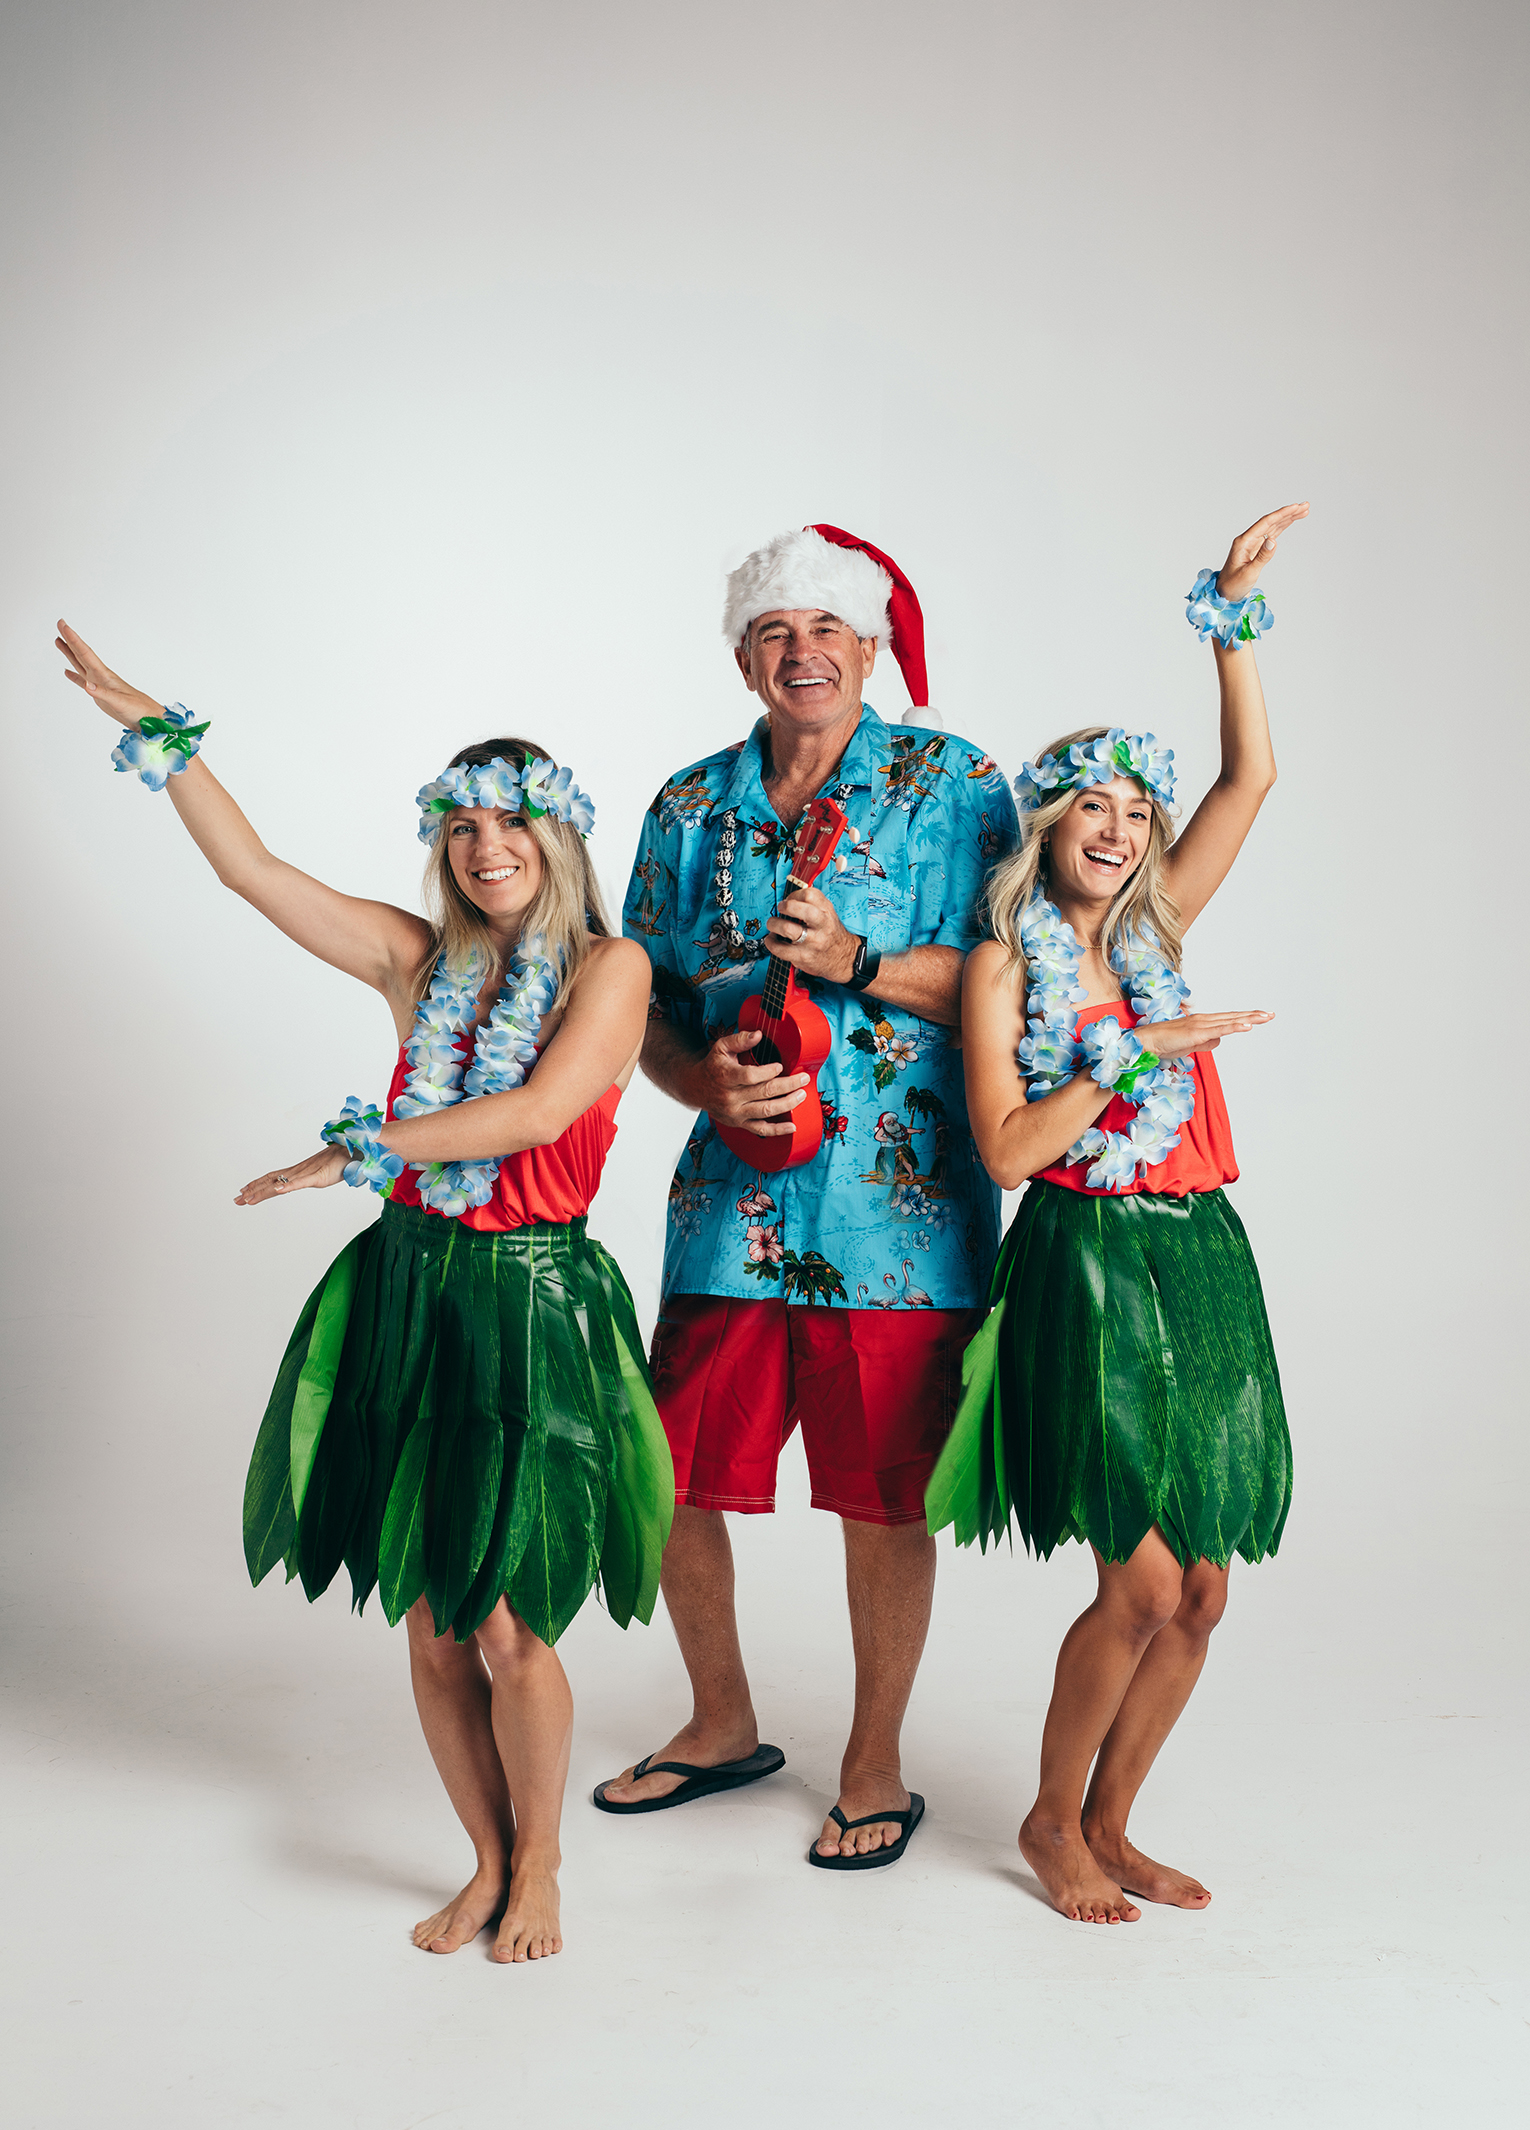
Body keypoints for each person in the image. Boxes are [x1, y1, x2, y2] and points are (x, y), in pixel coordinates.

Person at [54, 621, 672, 1963]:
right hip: (413, 1287)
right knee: (435, 1616)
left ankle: (547, 1863)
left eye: (510, 822)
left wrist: (364, 1147)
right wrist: (165, 743)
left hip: (527, 1295)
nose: (483, 846)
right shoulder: (417, 959)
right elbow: (254, 874)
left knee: (507, 1612)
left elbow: (537, 1109)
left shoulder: (611, 971)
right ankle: (486, 1860)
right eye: (459, 825)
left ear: (557, 840)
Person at [594, 525, 1018, 1867]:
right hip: (733, 1201)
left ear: (870, 646)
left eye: (825, 629)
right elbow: (639, 1013)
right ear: (742, 659)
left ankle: (873, 1759)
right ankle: (720, 1720)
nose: (801, 652)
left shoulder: (956, 786)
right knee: (661, 1469)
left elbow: (1027, 989)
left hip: (904, 1219)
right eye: (774, 632)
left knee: (881, 1495)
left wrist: (865, 954)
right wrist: (699, 1082)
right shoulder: (685, 807)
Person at [928, 505, 1305, 1923]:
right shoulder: (997, 968)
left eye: (1134, 810)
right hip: (1083, 1259)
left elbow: (1250, 773)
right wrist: (1131, 1054)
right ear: (1050, 822)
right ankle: (1044, 1818)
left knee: (1201, 1592)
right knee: (1137, 1584)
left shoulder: (1158, 934)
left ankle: (1109, 1816)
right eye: (1093, 804)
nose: (1119, 826)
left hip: (1196, 1250)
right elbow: (1010, 1147)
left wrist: (1226, 619)